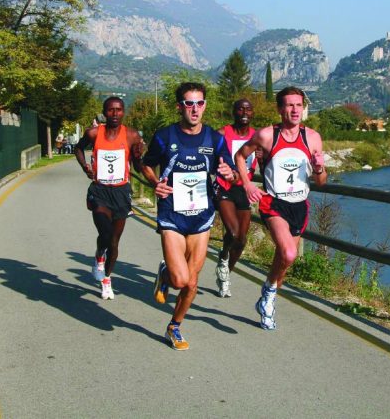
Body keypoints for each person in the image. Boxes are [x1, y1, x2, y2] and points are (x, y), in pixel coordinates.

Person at [140, 82, 236, 350]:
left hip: (202, 217)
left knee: (191, 283)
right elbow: (146, 164)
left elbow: (230, 171)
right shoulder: (165, 136)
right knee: (181, 279)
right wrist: (154, 182)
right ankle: (167, 273)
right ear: (179, 106)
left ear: (205, 105)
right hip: (172, 214)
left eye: (200, 103)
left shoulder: (215, 139)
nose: (195, 109)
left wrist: (230, 174)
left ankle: (175, 326)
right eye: (189, 103)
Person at [235, 86, 327, 330]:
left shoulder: (313, 138)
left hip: (299, 205)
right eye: (289, 105)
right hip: (273, 202)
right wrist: (246, 184)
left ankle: (268, 298)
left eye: (298, 105)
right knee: (288, 253)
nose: (295, 110)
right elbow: (240, 156)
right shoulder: (266, 136)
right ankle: (269, 292)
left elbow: (321, 181)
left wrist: (318, 168)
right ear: (279, 109)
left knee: (283, 259)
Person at [75, 97, 144, 300]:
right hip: (100, 191)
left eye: (119, 110)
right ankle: (98, 256)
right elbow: (78, 148)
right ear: (104, 112)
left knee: (114, 242)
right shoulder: (94, 133)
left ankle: (107, 279)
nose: (115, 114)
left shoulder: (131, 135)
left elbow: (139, 166)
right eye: (111, 110)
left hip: (121, 192)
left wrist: (139, 157)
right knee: (104, 232)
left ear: (124, 112)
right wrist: (85, 166)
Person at [213, 99, 259, 298]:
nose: (244, 112)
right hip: (223, 187)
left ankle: (225, 272)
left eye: (248, 109)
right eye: (240, 108)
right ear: (234, 112)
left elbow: (263, 160)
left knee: (241, 239)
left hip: (243, 189)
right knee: (232, 232)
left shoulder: (257, 137)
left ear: (253, 113)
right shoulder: (222, 134)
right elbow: (210, 156)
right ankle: (223, 256)